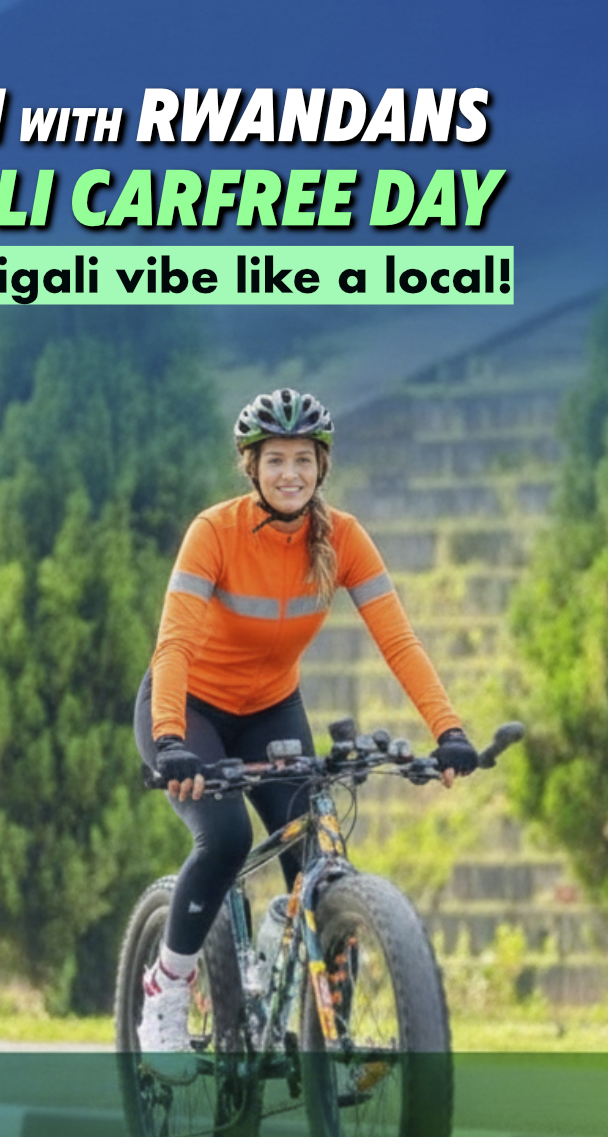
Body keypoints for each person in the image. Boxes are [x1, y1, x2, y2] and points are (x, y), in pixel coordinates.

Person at [133, 388, 477, 1055]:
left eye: (302, 459)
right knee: (226, 838)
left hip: (269, 708)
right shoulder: (214, 531)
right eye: (275, 460)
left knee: (317, 858)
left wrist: (449, 731)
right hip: (187, 710)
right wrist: (171, 739)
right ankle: (166, 989)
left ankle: (329, 1040)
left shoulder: (343, 538)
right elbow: (173, 642)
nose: (289, 473)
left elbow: (398, 641)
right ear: (250, 466)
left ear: (322, 467)